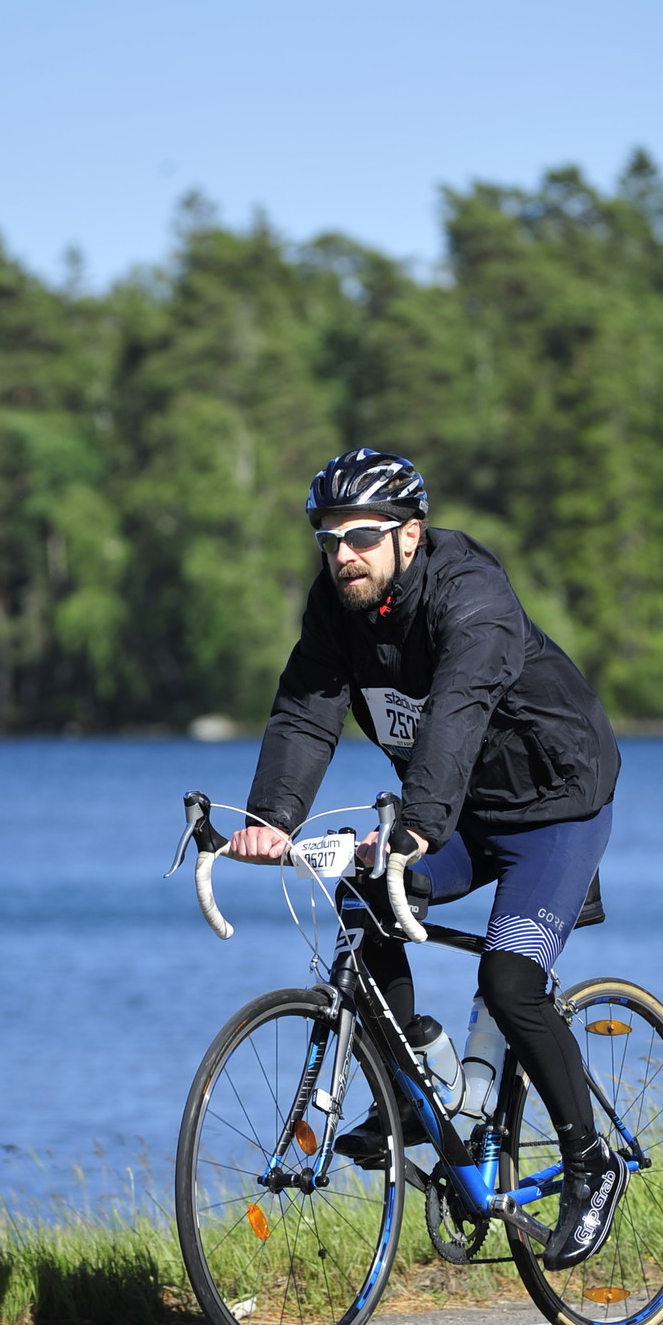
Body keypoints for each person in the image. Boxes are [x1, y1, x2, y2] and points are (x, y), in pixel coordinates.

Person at [228, 448, 624, 1270]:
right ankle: (413, 1090)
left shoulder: (471, 596)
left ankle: (592, 1164)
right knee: (363, 898)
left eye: (361, 537)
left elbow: (458, 710)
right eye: (329, 538)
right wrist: (269, 819)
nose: (343, 554)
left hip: (555, 806)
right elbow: (304, 712)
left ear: (409, 534)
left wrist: (415, 827)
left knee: (510, 983)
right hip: (461, 815)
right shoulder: (337, 608)